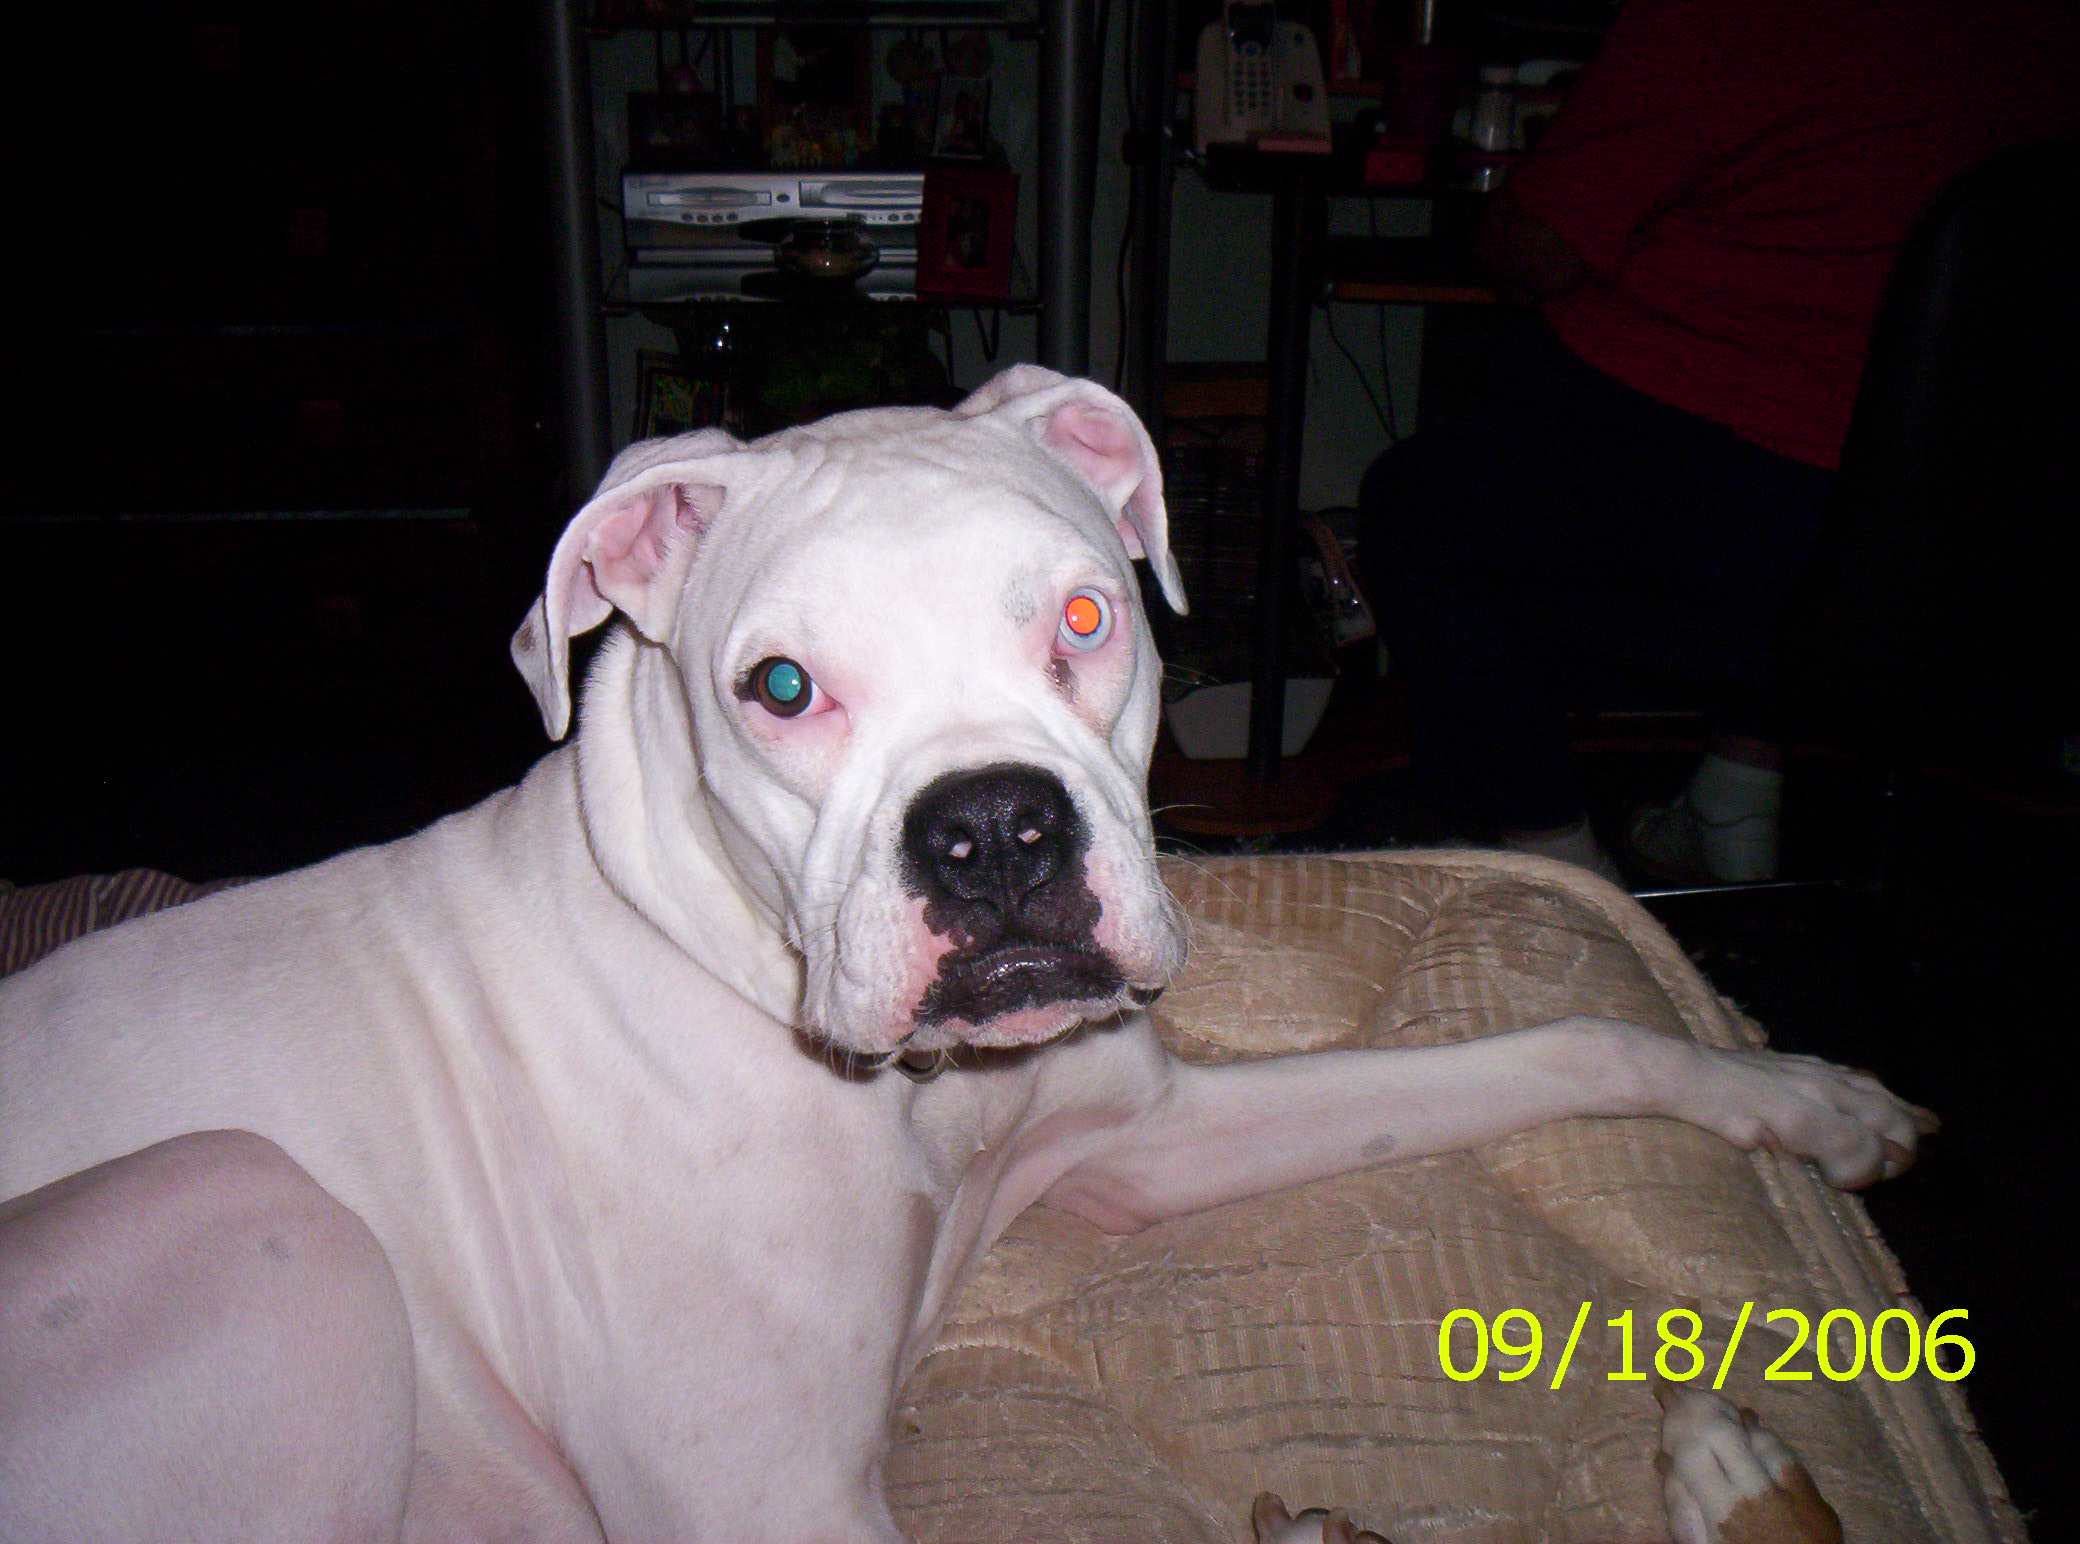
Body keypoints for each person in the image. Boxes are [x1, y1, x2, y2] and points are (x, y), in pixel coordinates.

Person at [1358, 0, 2079, 882]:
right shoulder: (2041, 35)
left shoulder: (1731, 18)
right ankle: (1737, 799)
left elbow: (1530, 251)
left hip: (1741, 508)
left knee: (1421, 507)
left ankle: (1559, 875)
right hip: (1950, 519)